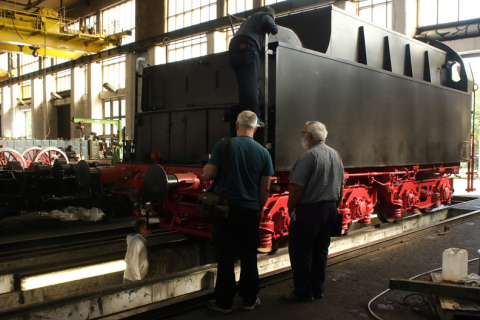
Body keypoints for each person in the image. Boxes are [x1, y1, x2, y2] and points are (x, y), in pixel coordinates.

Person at [203, 110, 274, 313]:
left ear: (237, 125)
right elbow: (266, 188)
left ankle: (224, 302)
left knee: (225, 256)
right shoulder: (263, 153)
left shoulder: (224, 144)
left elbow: (209, 173)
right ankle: (250, 300)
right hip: (250, 210)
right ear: (255, 128)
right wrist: (258, 207)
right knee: (249, 255)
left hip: (225, 210)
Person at [282, 121, 344, 302]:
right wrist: (335, 205)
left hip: (310, 210)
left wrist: (291, 206)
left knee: (301, 251)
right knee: (321, 250)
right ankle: (318, 289)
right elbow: (341, 186)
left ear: (309, 136)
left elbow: (297, 187)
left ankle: (303, 291)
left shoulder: (308, 156)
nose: (302, 137)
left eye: (303, 133)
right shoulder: (336, 155)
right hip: (330, 208)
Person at [229, 6, 278, 125]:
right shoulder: (264, 15)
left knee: (243, 89)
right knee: (252, 86)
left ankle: (244, 119)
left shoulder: (248, 21)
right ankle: (255, 118)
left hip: (233, 50)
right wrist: (274, 28)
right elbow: (270, 25)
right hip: (248, 48)